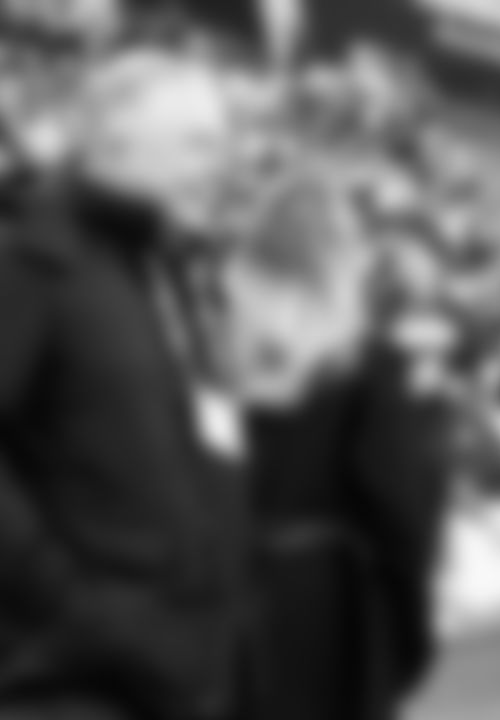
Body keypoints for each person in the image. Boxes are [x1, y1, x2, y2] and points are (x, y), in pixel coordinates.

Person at [0, 53, 250, 720]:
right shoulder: (32, 261)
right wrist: (75, 608)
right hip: (68, 687)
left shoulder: (170, 276)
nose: (221, 163)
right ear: (114, 140)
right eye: (198, 142)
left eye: (224, 142)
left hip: (177, 681)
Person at [222, 171, 450, 720]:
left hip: (227, 595)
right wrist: (411, 626)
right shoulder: (368, 369)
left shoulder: (217, 358)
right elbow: (402, 512)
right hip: (329, 609)